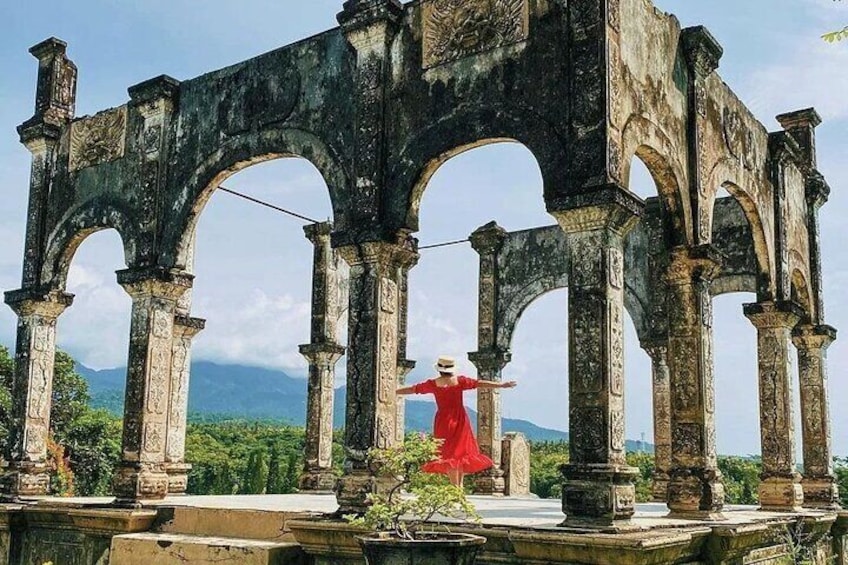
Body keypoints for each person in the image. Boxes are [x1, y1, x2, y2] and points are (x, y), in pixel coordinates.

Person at [397, 355, 517, 487]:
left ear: (439, 369)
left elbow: (413, 389)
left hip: (443, 420)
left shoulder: (433, 384)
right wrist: (501, 385)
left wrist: (395, 391)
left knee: (449, 454)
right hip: (460, 419)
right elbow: (480, 383)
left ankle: (457, 487)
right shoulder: (459, 381)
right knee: (459, 454)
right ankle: (457, 487)